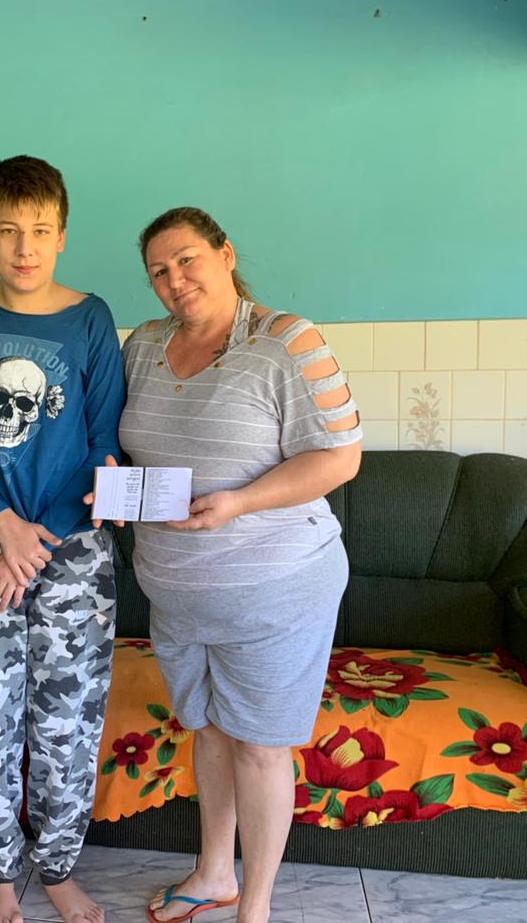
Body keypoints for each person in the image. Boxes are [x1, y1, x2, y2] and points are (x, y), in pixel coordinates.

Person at [113, 207, 362, 923]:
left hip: (275, 588)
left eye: (187, 259)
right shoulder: (143, 345)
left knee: (258, 747)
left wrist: (241, 502)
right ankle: (214, 873)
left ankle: (255, 907)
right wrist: (113, 480)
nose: (175, 279)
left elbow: (340, 458)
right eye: (158, 270)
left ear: (225, 254)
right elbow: (125, 444)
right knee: (210, 731)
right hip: (176, 595)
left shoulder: (287, 340)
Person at [0, 156, 125, 923]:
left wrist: (37, 542)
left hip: (72, 552)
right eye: (9, 230)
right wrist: (3, 528)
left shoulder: (91, 318)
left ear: (62, 235)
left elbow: (103, 443)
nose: (25, 247)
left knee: (67, 723)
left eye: (40, 230)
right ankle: (0, 873)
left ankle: (59, 869)